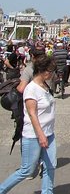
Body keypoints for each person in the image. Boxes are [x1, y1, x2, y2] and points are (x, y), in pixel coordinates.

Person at [0, 56, 58, 194]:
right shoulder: (31, 89)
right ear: (43, 71)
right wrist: (41, 135)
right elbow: (32, 114)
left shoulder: (44, 86)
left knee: (50, 166)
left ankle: (47, 192)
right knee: (27, 169)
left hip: (49, 132)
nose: (52, 74)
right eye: (50, 71)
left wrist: (46, 134)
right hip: (34, 135)